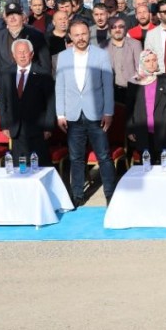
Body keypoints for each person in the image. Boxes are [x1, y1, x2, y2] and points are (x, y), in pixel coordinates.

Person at [55, 21, 118, 205]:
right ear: (70, 36)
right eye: (76, 35)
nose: (81, 38)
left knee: (104, 156)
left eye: (83, 34)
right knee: (75, 158)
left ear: (88, 34)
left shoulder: (101, 55)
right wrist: (60, 114)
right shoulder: (63, 57)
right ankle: (77, 196)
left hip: (97, 114)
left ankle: (111, 195)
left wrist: (108, 112)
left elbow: (108, 86)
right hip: (73, 115)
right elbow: (60, 86)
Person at [0, 37, 56, 167]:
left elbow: (51, 102)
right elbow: (2, 101)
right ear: (13, 55)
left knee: (39, 166)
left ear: (32, 54)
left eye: (25, 52)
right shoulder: (6, 74)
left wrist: (49, 126)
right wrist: (4, 125)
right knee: (20, 167)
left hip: (38, 129)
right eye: (19, 52)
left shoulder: (43, 74)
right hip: (16, 129)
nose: (22, 55)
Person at [126, 49, 166, 162]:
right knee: (147, 167)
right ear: (141, 62)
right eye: (147, 61)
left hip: (164, 131)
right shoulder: (134, 82)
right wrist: (130, 129)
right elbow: (129, 108)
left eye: (154, 60)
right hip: (142, 131)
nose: (151, 63)